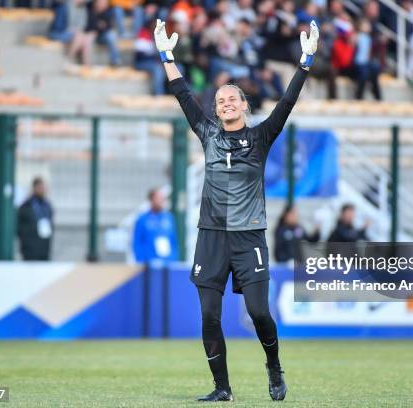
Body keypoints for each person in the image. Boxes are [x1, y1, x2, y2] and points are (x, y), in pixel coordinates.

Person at [155, 18, 318, 402]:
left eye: (232, 99)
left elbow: (288, 102)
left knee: (260, 313)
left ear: (244, 106)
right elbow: (181, 93)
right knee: (209, 317)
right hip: (211, 236)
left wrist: (306, 61)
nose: (225, 104)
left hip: (249, 237)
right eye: (220, 101)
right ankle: (222, 388)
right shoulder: (207, 132)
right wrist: (166, 55)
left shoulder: (261, 136)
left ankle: (274, 368)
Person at [132, 188, 179, 263]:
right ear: (151, 200)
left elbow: (174, 241)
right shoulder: (142, 219)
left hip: (167, 263)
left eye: (163, 198)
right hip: (148, 264)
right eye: (158, 198)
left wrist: (173, 259)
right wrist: (141, 260)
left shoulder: (169, 218)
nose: (161, 201)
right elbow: (137, 242)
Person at [17, 177, 54, 261]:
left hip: (44, 247)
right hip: (30, 248)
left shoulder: (47, 205)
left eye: (44, 188)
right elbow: (19, 227)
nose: (43, 190)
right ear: (34, 188)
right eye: (41, 187)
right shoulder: (26, 206)